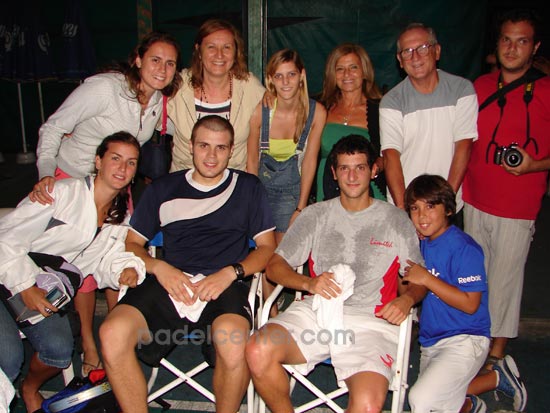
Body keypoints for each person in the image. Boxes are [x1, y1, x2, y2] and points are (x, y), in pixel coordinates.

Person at [99, 116, 276, 413]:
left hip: (224, 283)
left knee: (232, 342)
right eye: (204, 146)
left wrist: (230, 273)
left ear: (231, 150)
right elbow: (132, 244)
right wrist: (160, 268)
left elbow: (267, 248)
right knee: (111, 333)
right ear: (190, 146)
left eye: (220, 148)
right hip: (170, 280)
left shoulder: (248, 187)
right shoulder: (163, 188)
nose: (211, 156)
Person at [30, 31, 181, 376]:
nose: (162, 68)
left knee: (118, 259)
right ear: (138, 60)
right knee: (78, 268)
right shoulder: (104, 89)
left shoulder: (159, 102)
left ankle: (116, 340)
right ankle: (89, 344)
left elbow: (181, 130)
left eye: (170, 63)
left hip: (115, 186)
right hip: (70, 182)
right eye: (155, 60)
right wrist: (45, 174)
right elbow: (53, 127)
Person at [246, 135, 426, 413]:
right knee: (257, 349)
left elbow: (418, 278)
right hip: (318, 310)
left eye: (360, 168)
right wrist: (309, 283)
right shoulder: (315, 214)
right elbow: (274, 266)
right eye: (344, 168)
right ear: (334, 172)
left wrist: (407, 299)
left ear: (373, 170)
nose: (352, 177)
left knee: (368, 405)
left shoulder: (395, 219)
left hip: (372, 320)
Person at [0, 132, 145, 412]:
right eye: (115, 159)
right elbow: (5, 238)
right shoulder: (60, 193)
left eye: (131, 162)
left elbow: (102, 262)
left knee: (58, 351)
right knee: (9, 358)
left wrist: (125, 268)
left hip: (46, 291)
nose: (122, 168)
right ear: (98, 161)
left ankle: (29, 388)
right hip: (9, 274)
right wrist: (25, 285)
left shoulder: (119, 218)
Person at [462, 9, 549, 412]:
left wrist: (534, 165)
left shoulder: (546, 90)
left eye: (522, 41)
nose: (513, 48)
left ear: (535, 47)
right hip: (474, 198)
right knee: (476, 279)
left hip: (517, 204)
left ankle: (496, 357)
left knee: (505, 282)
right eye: (506, 40)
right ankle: (476, 348)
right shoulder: (480, 86)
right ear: (496, 45)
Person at [247, 49, 326, 316]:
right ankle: (270, 312)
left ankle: (279, 305)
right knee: (264, 249)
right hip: (260, 187)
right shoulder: (261, 110)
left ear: (301, 75)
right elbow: (251, 161)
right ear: (270, 79)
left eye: (291, 74)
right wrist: (252, 203)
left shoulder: (316, 112)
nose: (285, 82)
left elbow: (310, 160)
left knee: (281, 253)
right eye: (278, 76)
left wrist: (300, 207)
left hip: (292, 189)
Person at [403, 174, 490, 413]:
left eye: (430, 206)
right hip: (431, 341)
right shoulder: (420, 243)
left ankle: (492, 379)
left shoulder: (464, 248)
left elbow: (471, 304)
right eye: (415, 208)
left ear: (448, 209)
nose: (422, 216)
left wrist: (426, 279)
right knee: (440, 406)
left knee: (421, 400)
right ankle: (468, 405)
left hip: (466, 338)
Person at [380, 23, 478, 219]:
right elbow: (391, 157)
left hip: (448, 205)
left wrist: (445, 204)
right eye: (407, 51)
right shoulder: (391, 101)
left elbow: (464, 148)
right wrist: (405, 210)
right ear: (400, 60)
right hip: (408, 206)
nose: (415, 57)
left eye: (423, 48)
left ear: (437, 51)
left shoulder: (462, 90)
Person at [169, 18, 265, 172]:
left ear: (236, 52)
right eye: (211, 47)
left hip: (233, 178)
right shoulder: (179, 86)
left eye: (227, 47)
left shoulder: (250, 88)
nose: (219, 55)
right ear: (199, 51)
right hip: (184, 178)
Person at [317, 43, 386, 201]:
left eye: (353, 67)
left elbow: (390, 154)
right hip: (327, 192)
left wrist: (379, 164)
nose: (347, 74)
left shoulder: (380, 110)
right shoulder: (320, 107)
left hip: (369, 193)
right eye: (340, 69)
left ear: (364, 71)